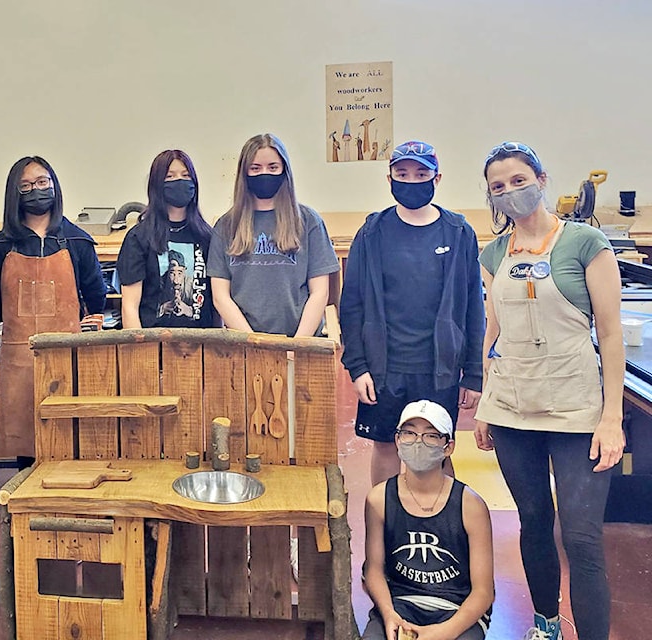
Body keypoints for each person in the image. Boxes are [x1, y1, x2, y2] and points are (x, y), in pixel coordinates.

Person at [474, 141, 625, 640]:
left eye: (519, 181)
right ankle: (545, 624)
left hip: (577, 410)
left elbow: (609, 334)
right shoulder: (493, 253)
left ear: (540, 179)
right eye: (499, 187)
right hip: (514, 408)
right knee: (534, 521)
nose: (511, 192)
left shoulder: (584, 243)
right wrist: (485, 405)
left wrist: (611, 418)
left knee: (581, 538)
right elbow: (492, 333)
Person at [340, 140, 484, 486]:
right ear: (389, 178)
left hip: (439, 370)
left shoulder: (459, 233)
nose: (411, 180)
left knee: (436, 450)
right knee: (387, 448)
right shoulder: (372, 233)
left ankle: (440, 530)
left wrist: (475, 373)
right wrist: (358, 367)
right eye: (402, 173)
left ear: (437, 179)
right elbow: (352, 304)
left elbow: (473, 307)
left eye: (421, 173)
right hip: (384, 369)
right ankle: (383, 526)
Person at [0, 155, 106, 458]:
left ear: (54, 186)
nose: (35, 189)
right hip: (19, 361)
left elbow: (96, 298)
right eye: (26, 186)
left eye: (42, 182)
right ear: (14, 193)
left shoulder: (77, 241)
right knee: (26, 440)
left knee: (70, 438)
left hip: (69, 357)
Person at [363, 400, 494, 640]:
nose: (418, 442)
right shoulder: (379, 499)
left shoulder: (471, 506)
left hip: (456, 611)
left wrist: (442, 633)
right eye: (409, 433)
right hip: (399, 605)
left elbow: (483, 592)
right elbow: (373, 569)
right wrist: (389, 613)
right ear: (397, 440)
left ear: (448, 447)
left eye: (431, 436)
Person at [208, 133, 339, 337]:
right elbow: (220, 297)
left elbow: (320, 293)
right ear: (244, 173)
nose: (264, 173)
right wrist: (254, 343)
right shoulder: (226, 226)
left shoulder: (309, 221)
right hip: (246, 347)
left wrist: (297, 345)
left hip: (301, 343)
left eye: (273, 167)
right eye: (255, 168)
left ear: (284, 171)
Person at [117, 149, 216, 329]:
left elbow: (217, 302)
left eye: (186, 175)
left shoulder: (207, 236)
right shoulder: (138, 238)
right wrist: (139, 353)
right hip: (153, 346)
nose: (179, 180)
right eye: (170, 177)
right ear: (156, 184)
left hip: (201, 345)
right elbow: (129, 307)